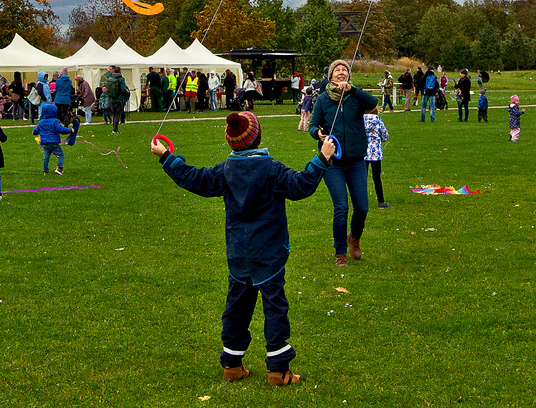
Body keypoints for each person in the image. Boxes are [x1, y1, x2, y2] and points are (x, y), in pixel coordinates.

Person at [153, 113, 332, 386]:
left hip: (239, 254)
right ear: (257, 137)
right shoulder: (271, 169)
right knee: (275, 310)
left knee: (236, 309)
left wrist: (166, 156)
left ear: (231, 143)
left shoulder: (225, 170)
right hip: (268, 255)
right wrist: (322, 158)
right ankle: (277, 371)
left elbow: (193, 178)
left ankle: (232, 366)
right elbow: (301, 185)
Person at [309, 59, 379, 267]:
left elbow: (373, 103)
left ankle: (354, 238)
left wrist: (353, 90)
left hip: (357, 160)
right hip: (333, 162)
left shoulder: (355, 96)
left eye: (344, 70)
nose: (341, 72)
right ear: (330, 77)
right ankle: (340, 252)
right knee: (341, 206)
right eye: (337, 70)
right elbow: (313, 126)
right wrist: (318, 133)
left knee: (362, 207)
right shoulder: (323, 99)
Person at [364, 105, 390, 209]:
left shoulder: (360, 119)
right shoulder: (377, 119)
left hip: (363, 151)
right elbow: (385, 135)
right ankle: (381, 201)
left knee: (362, 178)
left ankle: (362, 201)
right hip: (376, 152)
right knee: (376, 178)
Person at [33, 102, 70, 175]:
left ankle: (45, 170)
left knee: (46, 157)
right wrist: (69, 130)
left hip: (45, 143)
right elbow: (61, 129)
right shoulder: (55, 121)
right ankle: (59, 168)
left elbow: (35, 131)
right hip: (53, 142)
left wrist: (34, 132)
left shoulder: (41, 122)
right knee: (61, 154)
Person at [102, 65, 130, 132]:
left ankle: (114, 128)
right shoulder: (121, 79)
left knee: (114, 115)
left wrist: (108, 71)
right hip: (119, 99)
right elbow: (123, 89)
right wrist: (127, 93)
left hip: (112, 99)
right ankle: (115, 129)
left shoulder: (110, 78)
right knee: (117, 114)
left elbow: (108, 76)